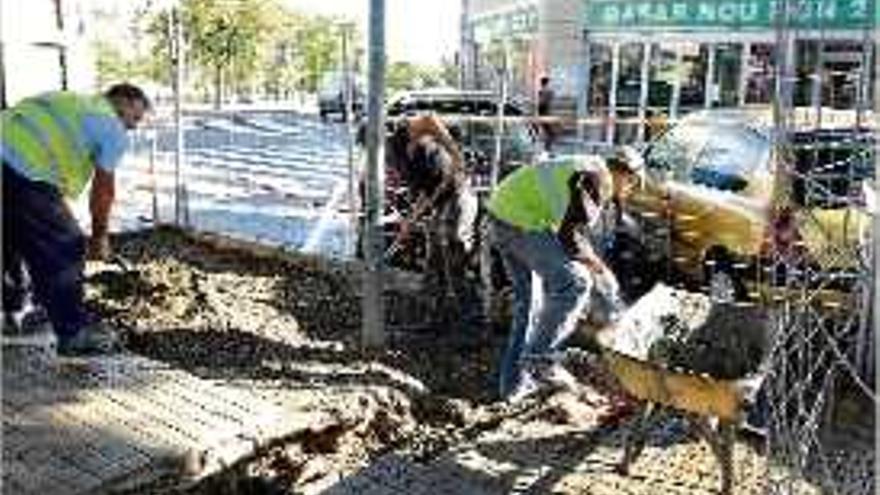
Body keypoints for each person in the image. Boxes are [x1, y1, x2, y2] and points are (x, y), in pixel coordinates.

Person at [2, 83, 150, 356]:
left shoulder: (67, 100)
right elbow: (103, 191)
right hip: (22, 171)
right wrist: (99, 236)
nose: (134, 127)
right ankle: (73, 332)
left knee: (10, 237)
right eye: (135, 118)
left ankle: (13, 312)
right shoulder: (111, 127)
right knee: (66, 244)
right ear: (123, 104)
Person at [487, 155, 623, 401]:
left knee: (529, 306)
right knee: (575, 283)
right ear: (624, 175)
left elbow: (572, 230)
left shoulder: (589, 166)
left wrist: (596, 263)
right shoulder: (595, 179)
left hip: (502, 212)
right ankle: (542, 359)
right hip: (520, 220)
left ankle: (513, 389)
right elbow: (569, 237)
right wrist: (597, 268)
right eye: (632, 184)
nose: (629, 191)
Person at [386, 114, 480, 318]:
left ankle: (470, 314)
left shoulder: (400, 138)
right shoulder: (401, 164)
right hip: (440, 201)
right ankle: (432, 312)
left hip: (458, 194)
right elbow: (424, 195)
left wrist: (456, 154)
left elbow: (429, 119)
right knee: (433, 257)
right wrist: (409, 222)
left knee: (453, 247)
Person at [537, 76, 556, 153]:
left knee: (550, 133)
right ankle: (547, 149)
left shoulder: (543, 92)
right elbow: (542, 104)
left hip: (546, 114)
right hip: (545, 115)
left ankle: (547, 148)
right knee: (551, 133)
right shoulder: (546, 92)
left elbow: (541, 104)